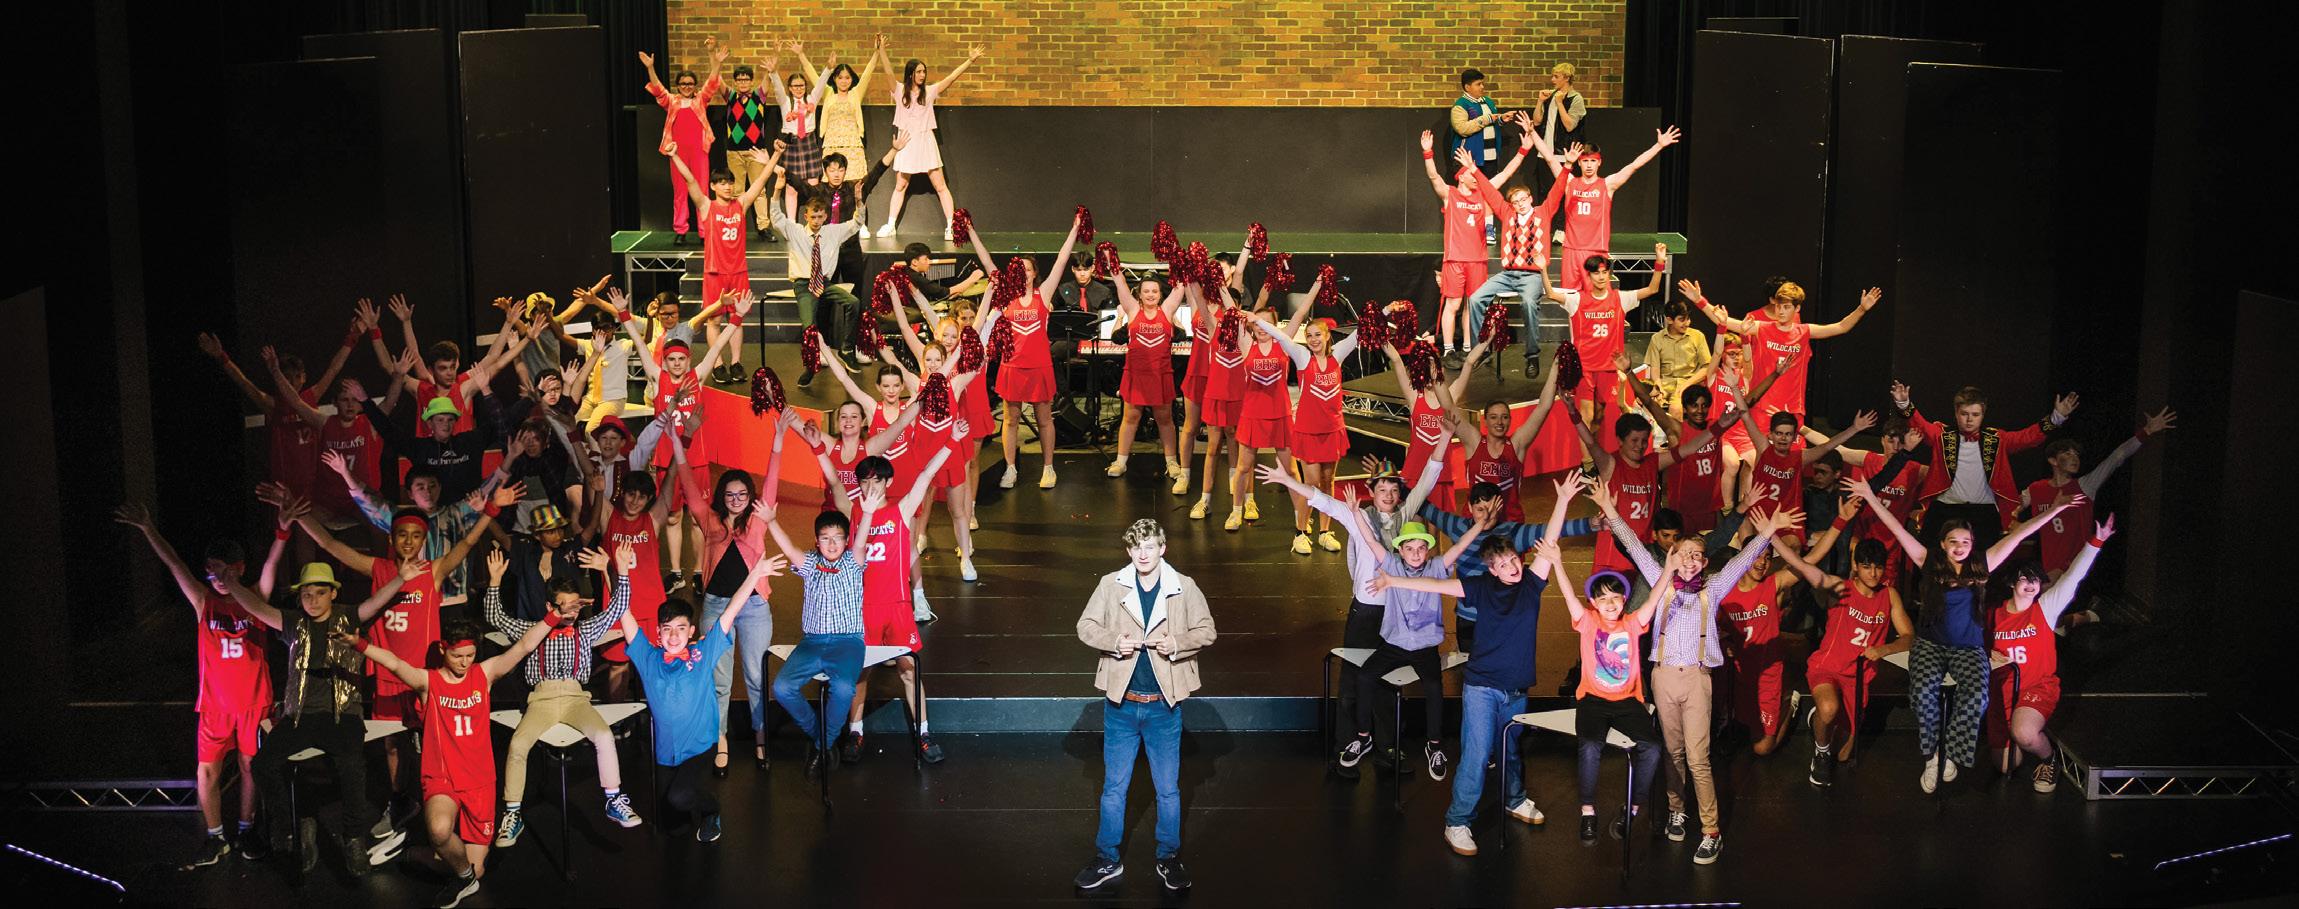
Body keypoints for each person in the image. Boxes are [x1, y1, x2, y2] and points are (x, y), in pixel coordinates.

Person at [1588, 482, 1800, 864]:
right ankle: (1676, 810)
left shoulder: (1713, 588)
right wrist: (1610, 509)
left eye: (1696, 555)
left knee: (1698, 758)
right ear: (1672, 555)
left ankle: (1711, 830)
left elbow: (1743, 560)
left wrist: (1770, 528)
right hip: (1664, 677)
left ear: (1704, 562)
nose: (1689, 560)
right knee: (1673, 753)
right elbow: (1633, 545)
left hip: (1697, 680)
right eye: (1683, 553)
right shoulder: (1660, 579)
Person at [1373, 475, 1583, 857]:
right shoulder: (1480, 587)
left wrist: (1564, 500)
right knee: (1477, 752)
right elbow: (1436, 586)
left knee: (1512, 750)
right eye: (1502, 564)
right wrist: (1394, 581)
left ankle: (1514, 799)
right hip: (1483, 688)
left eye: (1514, 559)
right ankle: (1457, 821)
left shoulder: (1531, 585)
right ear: (1492, 570)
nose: (1511, 566)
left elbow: (1550, 541)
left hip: (1516, 689)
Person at [295, 488, 510, 845]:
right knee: (393, 745)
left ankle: (442, 805)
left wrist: (491, 509)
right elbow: (332, 545)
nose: (409, 541)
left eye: (416, 536)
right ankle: (400, 802)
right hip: (387, 674)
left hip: (424, 677)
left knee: (432, 745)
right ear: (391, 539)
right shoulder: (378, 569)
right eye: (402, 535)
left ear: (424, 540)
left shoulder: (433, 570)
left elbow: (468, 542)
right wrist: (298, 515)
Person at [1847, 475, 2085, 792]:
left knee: (1976, 697)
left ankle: (1950, 755)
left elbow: (2020, 534)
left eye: (1965, 542)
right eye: (1953, 542)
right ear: (1943, 544)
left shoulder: (1982, 565)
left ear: (1972, 545)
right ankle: (1932, 757)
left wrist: (2054, 510)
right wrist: (1870, 496)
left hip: (1968, 648)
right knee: (1922, 694)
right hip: (1930, 645)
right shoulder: (1928, 561)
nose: (1959, 547)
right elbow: (1897, 529)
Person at [114, 502, 287, 867]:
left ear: (239, 568)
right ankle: (215, 837)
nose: (216, 576)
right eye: (211, 569)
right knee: (206, 771)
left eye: (224, 569)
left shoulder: (256, 597)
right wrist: (148, 528)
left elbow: (272, 563)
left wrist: (283, 533)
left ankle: (246, 829)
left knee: (250, 767)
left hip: (254, 704)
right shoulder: (203, 601)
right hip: (215, 707)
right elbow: (174, 563)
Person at [1259, 446, 1451, 771]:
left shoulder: (1405, 518)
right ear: (1371, 491)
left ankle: (1387, 747)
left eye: (1393, 489)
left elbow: (1428, 480)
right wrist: (1288, 480)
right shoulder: (1357, 515)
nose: (1388, 495)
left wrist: (1444, 438)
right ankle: (1347, 744)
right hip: (1365, 611)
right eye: (1382, 489)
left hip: (1395, 612)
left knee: (1387, 681)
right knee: (1352, 679)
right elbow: (1322, 500)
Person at [349, 605, 552, 907]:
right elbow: (393, 662)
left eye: (470, 655)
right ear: (444, 649)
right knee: (440, 831)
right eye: (458, 656)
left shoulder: (484, 674)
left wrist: (553, 616)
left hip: (480, 781)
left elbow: (523, 646)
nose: (465, 662)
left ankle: (411, 851)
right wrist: (360, 644)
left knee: (476, 868)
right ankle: (462, 878)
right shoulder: (428, 682)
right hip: (442, 777)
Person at [224, 557, 415, 874]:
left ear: (333, 593)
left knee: (352, 766)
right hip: (300, 714)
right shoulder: (292, 621)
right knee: (262, 764)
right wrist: (231, 584)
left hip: (343, 714)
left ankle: (353, 838)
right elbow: (257, 608)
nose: (312, 600)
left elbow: (375, 602)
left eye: (320, 593)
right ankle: (291, 825)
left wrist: (401, 578)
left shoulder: (348, 617)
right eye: (306, 594)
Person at [1073, 519, 1216, 892]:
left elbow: (1207, 630)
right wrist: (1113, 641)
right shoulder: (1111, 584)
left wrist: (1177, 643)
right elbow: (1086, 625)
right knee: (1113, 787)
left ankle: (1169, 857)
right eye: (1136, 547)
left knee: (1167, 789)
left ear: (1162, 548)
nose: (1142, 554)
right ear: (1129, 550)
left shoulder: (1182, 586)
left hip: (1163, 707)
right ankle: (1107, 858)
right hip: (1121, 705)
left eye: (1149, 546)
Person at [622, 540, 786, 843]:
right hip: (666, 753)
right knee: (674, 825)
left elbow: (731, 610)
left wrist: (755, 574)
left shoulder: (702, 654)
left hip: (699, 746)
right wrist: (618, 574)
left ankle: (712, 809)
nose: (673, 635)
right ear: (657, 633)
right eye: (667, 629)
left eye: (680, 628)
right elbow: (624, 614)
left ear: (691, 631)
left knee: (680, 797)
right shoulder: (648, 658)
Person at [481, 544, 639, 851]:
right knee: (518, 744)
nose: (570, 612)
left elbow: (618, 608)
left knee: (604, 735)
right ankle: (512, 813)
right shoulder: (533, 629)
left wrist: (622, 571)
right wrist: (495, 581)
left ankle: (613, 799)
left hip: (576, 698)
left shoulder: (585, 630)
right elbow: (495, 617)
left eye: (575, 606)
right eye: (564, 607)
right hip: (541, 699)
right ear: (550, 606)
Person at [669, 412, 787, 772]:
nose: (736, 499)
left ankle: (761, 736)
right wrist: (677, 442)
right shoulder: (708, 518)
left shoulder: (758, 519)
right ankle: (720, 738)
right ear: (722, 496)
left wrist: (778, 441)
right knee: (719, 679)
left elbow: (772, 481)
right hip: (717, 608)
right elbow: (688, 482)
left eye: (742, 494)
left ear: (750, 497)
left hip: (754, 607)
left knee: (755, 676)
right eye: (730, 494)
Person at [842, 446, 956, 765]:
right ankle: (855, 732)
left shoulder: (901, 509)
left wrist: (950, 441)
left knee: (908, 671)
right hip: (864, 607)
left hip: (897, 606)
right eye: (864, 481)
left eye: (876, 481)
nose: (870, 487)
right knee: (859, 673)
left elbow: (926, 475)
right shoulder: (854, 512)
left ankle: (923, 733)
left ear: (888, 483)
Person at [1990, 516, 2114, 793]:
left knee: (2024, 734)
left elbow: (2073, 578)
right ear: (2011, 583)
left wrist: (2096, 542)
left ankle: (2049, 759)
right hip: (2002, 694)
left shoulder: (2044, 608)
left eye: (2035, 579)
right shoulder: (1993, 616)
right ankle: (2024, 732)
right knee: (2006, 765)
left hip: (2037, 688)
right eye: (2024, 579)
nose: (2031, 584)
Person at [965, 211, 1082, 490]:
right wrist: (969, 230)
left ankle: (1048, 468)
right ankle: (1010, 468)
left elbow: (1062, 259)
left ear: (1034, 273)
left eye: (1028, 270)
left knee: (1044, 419)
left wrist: (1076, 229)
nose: (1023, 274)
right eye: (1019, 270)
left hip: (1039, 366)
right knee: (1010, 419)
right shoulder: (1006, 296)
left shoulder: (1045, 293)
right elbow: (986, 261)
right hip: (1012, 366)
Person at [1890, 381, 2078, 552]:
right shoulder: (1942, 436)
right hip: (1945, 509)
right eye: (1964, 414)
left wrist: (2056, 418)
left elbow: (2027, 437)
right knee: (1932, 559)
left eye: (1975, 415)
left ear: (1983, 415)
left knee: (1984, 565)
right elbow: (1921, 425)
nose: (1969, 420)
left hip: (1983, 512)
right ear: (1956, 413)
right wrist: (1904, 404)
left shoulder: (1996, 439)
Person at [1558, 552, 1666, 846]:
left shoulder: (1631, 623)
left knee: (1653, 748)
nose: (1609, 603)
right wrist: (1557, 562)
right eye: (1603, 598)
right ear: (1593, 602)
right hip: (1593, 700)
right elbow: (1568, 596)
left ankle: (1631, 809)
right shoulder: (1588, 621)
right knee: (1590, 746)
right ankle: (1588, 811)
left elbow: (1653, 600)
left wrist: (1668, 570)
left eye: (1615, 597)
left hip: (1627, 702)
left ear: (1624, 601)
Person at [1684, 279, 1882, 431]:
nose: (1780, 311)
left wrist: (1861, 309)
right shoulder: (1762, 328)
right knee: (1759, 462)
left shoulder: (1805, 331)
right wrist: (1699, 301)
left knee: (1789, 463)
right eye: (1778, 306)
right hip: (1761, 408)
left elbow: (1841, 327)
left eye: (1786, 307)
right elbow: (1724, 321)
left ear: (1797, 308)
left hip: (1791, 409)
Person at [764, 499, 868, 777]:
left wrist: (868, 512)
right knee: (782, 687)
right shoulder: (811, 563)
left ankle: (821, 747)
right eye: (825, 538)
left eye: (838, 538)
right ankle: (824, 737)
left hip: (847, 641)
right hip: (813, 641)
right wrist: (771, 521)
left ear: (846, 540)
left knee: (844, 688)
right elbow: (789, 549)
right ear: (816, 541)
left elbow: (861, 543)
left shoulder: (852, 562)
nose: (832, 544)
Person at [197, 321, 353, 504]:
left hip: (314, 484)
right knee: (286, 522)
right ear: (279, 379)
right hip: (285, 486)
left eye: (296, 377)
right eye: (287, 377)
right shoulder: (273, 405)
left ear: (304, 378)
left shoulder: (310, 397)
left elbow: (334, 369)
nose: (292, 382)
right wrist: (221, 356)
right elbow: (244, 383)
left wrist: (353, 336)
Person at [1573, 394, 1726, 578]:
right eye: (1634, 440)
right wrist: (1572, 412)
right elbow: (1590, 442)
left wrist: (1719, 427)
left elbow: (1689, 449)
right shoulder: (1610, 464)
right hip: (1613, 557)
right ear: (1620, 440)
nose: (1640, 446)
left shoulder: (1653, 462)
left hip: (1646, 555)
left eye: (1644, 440)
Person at [1804, 537, 1915, 786]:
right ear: (1855, 566)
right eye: (1866, 567)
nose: (1873, 573)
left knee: (1843, 755)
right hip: (1827, 668)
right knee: (1829, 708)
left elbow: (1909, 637)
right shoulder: (1840, 588)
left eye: (1878, 567)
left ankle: (1815, 719)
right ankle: (1820, 754)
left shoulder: (1889, 595)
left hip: (1858, 678)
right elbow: (1807, 570)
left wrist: (1884, 649)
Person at [1420, 130, 1536, 362]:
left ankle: (1467, 346)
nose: (1475, 176)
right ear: (1460, 177)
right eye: (1470, 173)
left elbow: (1505, 173)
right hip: (1454, 260)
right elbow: (1434, 177)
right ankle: (1448, 349)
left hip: (1477, 261)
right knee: (1453, 304)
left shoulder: (1483, 193)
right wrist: (1427, 153)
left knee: (1471, 305)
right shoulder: (1450, 194)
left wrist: (1523, 151)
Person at [2020, 407, 2173, 577]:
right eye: (2068, 453)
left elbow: (2116, 457)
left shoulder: (2085, 486)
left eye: (2076, 454)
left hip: (2074, 567)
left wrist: (2147, 431)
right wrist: (2012, 523)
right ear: (2053, 460)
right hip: (2048, 566)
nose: (2074, 458)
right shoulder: (2036, 489)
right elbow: (2012, 504)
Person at [1525, 124, 1679, 293]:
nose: (1589, 165)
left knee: (1597, 298)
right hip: (1571, 251)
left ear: (1599, 162)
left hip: (1596, 251)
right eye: (1585, 161)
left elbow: (1634, 166)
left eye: (1593, 161)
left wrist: (1659, 146)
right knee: (1570, 300)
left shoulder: (1607, 185)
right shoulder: (1570, 182)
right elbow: (1549, 158)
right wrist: (1532, 132)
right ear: (1579, 162)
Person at [1542, 247, 1668, 435]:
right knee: (1587, 415)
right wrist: (1543, 269)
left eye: (1604, 272)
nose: (1601, 277)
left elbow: (1652, 289)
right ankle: (1587, 453)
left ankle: (1592, 450)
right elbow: (1551, 294)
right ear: (1589, 276)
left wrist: (1659, 262)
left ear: (1609, 274)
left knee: (1599, 416)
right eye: (1596, 273)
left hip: (1608, 368)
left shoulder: (1621, 298)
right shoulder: (1577, 300)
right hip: (1584, 368)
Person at [1460, 157, 1564, 376]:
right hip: (1507, 275)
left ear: (1530, 198)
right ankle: (1482, 350)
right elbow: (1490, 192)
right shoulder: (1507, 214)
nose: (1520, 204)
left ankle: (1532, 356)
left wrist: (1568, 166)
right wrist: (1474, 169)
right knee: (1475, 299)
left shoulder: (1543, 213)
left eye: (1523, 199)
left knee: (1528, 303)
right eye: (1515, 202)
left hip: (1532, 276)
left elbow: (1557, 190)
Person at [666, 140, 779, 338]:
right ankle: (716, 358)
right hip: (714, 272)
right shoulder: (706, 206)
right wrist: (674, 155)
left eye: (730, 183)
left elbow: (762, 179)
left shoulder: (741, 204)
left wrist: (777, 154)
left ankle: (736, 357)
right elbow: (690, 180)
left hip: (738, 271)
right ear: (713, 186)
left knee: (736, 319)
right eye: (722, 183)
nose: (727, 187)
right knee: (714, 320)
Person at [876, 43, 983, 239]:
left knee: (940, 186)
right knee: (900, 186)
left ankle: (951, 227)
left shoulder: (930, 91)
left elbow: (951, 78)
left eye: (924, 72)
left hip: (926, 141)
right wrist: (881, 49)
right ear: (910, 74)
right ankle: (890, 225)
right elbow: (888, 71)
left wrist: (970, 60)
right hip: (906, 141)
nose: (922, 75)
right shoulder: (899, 90)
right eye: (918, 72)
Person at [1444, 363, 1564, 525]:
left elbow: (1544, 406)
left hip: (1509, 524)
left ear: (1510, 420)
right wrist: (1434, 373)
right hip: (1474, 524)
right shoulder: (1474, 442)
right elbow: (1448, 406)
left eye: (1504, 417)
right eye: (1493, 417)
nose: (1499, 422)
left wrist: (1555, 366)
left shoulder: (1517, 444)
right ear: (1485, 420)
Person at [1102, 264, 1186, 480]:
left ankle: (1171, 461)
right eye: (1146, 291)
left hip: (1161, 374)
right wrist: (1111, 261)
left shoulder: (1167, 311)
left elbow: (1180, 287)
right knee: (1130, 417)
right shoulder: (1132, 310)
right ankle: (1121, 462)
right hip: (1136, 374)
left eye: (1154, 291)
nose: (1150, 294)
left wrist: (1180, 262)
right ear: (1139, 294)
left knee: (1164, 418)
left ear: (1160, 294)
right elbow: (1120, 283)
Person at [640, 39, 726, 244]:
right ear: (678, 86)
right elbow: (658, 89)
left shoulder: (700, 100)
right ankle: (681, 230)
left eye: (690, 83)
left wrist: (716, 60)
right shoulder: (672, 101)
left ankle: (705, 231)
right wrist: (650, 68)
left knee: (702, 191)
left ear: (694, 85)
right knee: (680, 192)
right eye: (683, 84)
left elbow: (712, 81)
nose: (686, 87)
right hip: (678, 155)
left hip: (699, 152)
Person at [801, 35, 883, 236]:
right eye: (840, 77)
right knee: (831, 187)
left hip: (852, 145)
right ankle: (831, 221)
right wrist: (801, 54)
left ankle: (860, 223)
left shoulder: (855, 94)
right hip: (832, 145)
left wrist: (877, 52)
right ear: (835, 79)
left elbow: (868, 73)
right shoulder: (828, 93)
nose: (844, 81)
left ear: (851, 79)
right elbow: (813, 76)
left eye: (847, 77)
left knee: (857, 186)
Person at [1737, 406, 1876, 525]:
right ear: (1770, 435)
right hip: (1758, 514)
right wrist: (1734, 387)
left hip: (1785, 518)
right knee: (1744, 526)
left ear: (1794, 437)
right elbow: (1746, 416)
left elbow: (1827, 446)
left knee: (1793, 544)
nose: (1783, 438)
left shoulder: (1800, 457)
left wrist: (1854, 428)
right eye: (1779, 433)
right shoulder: (1763, 449)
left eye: (1788, 434)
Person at [772, 195, 866, 365]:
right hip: (804, 283)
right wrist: (777, 192)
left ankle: (847, 349)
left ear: (825, 217)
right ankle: (812, 361)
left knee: (853, 302)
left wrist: (859, 202)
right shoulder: (796, 231)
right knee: (809, 326)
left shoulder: (833, 232)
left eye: (820, 217)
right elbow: (777, 218)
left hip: (824, 282)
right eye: (813, 217)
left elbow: (856, 223)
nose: (816, 221)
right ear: (806, 216)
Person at [720, 63, 779, 240]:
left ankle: (763, 227)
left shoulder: (759, 96)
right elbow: (716, 79)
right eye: (739, 80)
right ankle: (735, 225)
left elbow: (768, 79)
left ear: (752, 81)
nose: (743, 82)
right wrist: (715, 59)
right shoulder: (731, 96)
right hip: (734, 153)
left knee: (759, 191)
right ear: (735, 82)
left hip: (756, 152)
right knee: (736, 191)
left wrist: (771, 67)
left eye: (746, 79)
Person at [1641, 300, 1713, 420]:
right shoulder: (1657, 339)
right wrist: (1658, 387)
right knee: (1647, 405)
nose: (1687, 323)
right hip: (1665, 384)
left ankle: (1677, 433)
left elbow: (1706, 368)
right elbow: (1655, 369)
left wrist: (1686, 385)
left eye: (1688, 319)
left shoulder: (1698, 336)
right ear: (1669, 320)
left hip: (1689, 385)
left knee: (1675, 408)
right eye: (1682, 319)